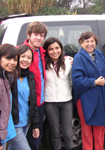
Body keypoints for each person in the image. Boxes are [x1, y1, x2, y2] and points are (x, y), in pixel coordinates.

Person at [72, 31, 105, 150]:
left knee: (100, 126)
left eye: (92, 41)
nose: (90, 44)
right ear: (81, 42)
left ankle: (99, 148)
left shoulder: (100, 54)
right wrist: (94, 82)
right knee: (86, 126)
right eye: (86, 41)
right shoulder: (78, 57)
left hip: (101, 96)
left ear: (95, 42)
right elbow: (77, 80)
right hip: (84, 98)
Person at [19, 21, 48, 150]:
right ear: (28, 35)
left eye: (41, 35)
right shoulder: (21, 52)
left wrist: (68, 58)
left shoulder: (42, 51)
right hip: (24, 103)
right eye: (35, 34)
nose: (38, 38)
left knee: (36, 135)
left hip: (39, 102)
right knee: (19, 137)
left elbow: (55, 55)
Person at [43, 37, 73, 150]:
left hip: (66, 101)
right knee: (55, 133)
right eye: (51, 49)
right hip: (50, 102)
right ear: (46, 51)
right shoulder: (43, 64)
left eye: (57, 48)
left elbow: (71, 80)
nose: (55, 51)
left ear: (61, 48)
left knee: (68, 134)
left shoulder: (68, 62)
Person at [8, 45, 40, 150]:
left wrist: (35, 125)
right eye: (23, 56)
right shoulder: (9, 76)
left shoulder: (30, 77)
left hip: (25, 122)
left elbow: (32, 102)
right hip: (13, 125)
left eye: (29, 58)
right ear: (16, 57)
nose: (25, 60)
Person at [0, 44, 19, 150]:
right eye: (8, 58)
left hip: (6, 129)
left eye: (14, 59)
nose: (12, 63)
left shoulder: (6, 77)